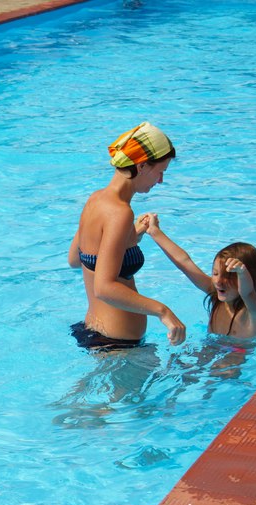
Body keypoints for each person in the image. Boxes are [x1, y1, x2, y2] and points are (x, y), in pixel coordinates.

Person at [68, 121, 186, 349]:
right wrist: (163, 311)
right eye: (160, 172)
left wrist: (131, 236)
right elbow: (104, 288)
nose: (160, 180)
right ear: (142, 166)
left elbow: (75, 259)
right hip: (119, 346)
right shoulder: (120, 213)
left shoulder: (95, 200)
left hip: (92, 331)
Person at [138, 213, 256, 339]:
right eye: (215, 273)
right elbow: (185, 262)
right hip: (210, 347)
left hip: (241, 351)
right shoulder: (216, 295)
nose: (219, 281)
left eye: (228, 277)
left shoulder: (253, 311)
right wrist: (154, 232)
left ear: (252, 279)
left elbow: (247, 293)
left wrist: (242, 272)